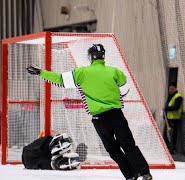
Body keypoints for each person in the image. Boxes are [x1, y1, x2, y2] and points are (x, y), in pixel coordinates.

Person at [26, 44, 152, 180]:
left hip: (99, 119)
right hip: (116, 115)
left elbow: (60, 80)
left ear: (91, 57)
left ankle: (130, 175)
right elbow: (124, 91)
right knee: (129, 145)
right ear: (103, 56)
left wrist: (41, 73)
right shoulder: (115, 72)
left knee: (112, 149)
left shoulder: (82, 73)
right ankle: (144, 172)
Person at [163, 81, 183, 154]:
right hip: (168, 118)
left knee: (173, 135)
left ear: (175, 88)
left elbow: (176, 107)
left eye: (172, 88)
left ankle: (172, 149)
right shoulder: (170, 96)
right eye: (169, 89)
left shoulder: (178, 96)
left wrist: (167, 108)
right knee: (167, 134)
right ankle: (167, 148)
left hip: (174, 119)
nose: (170, 90)